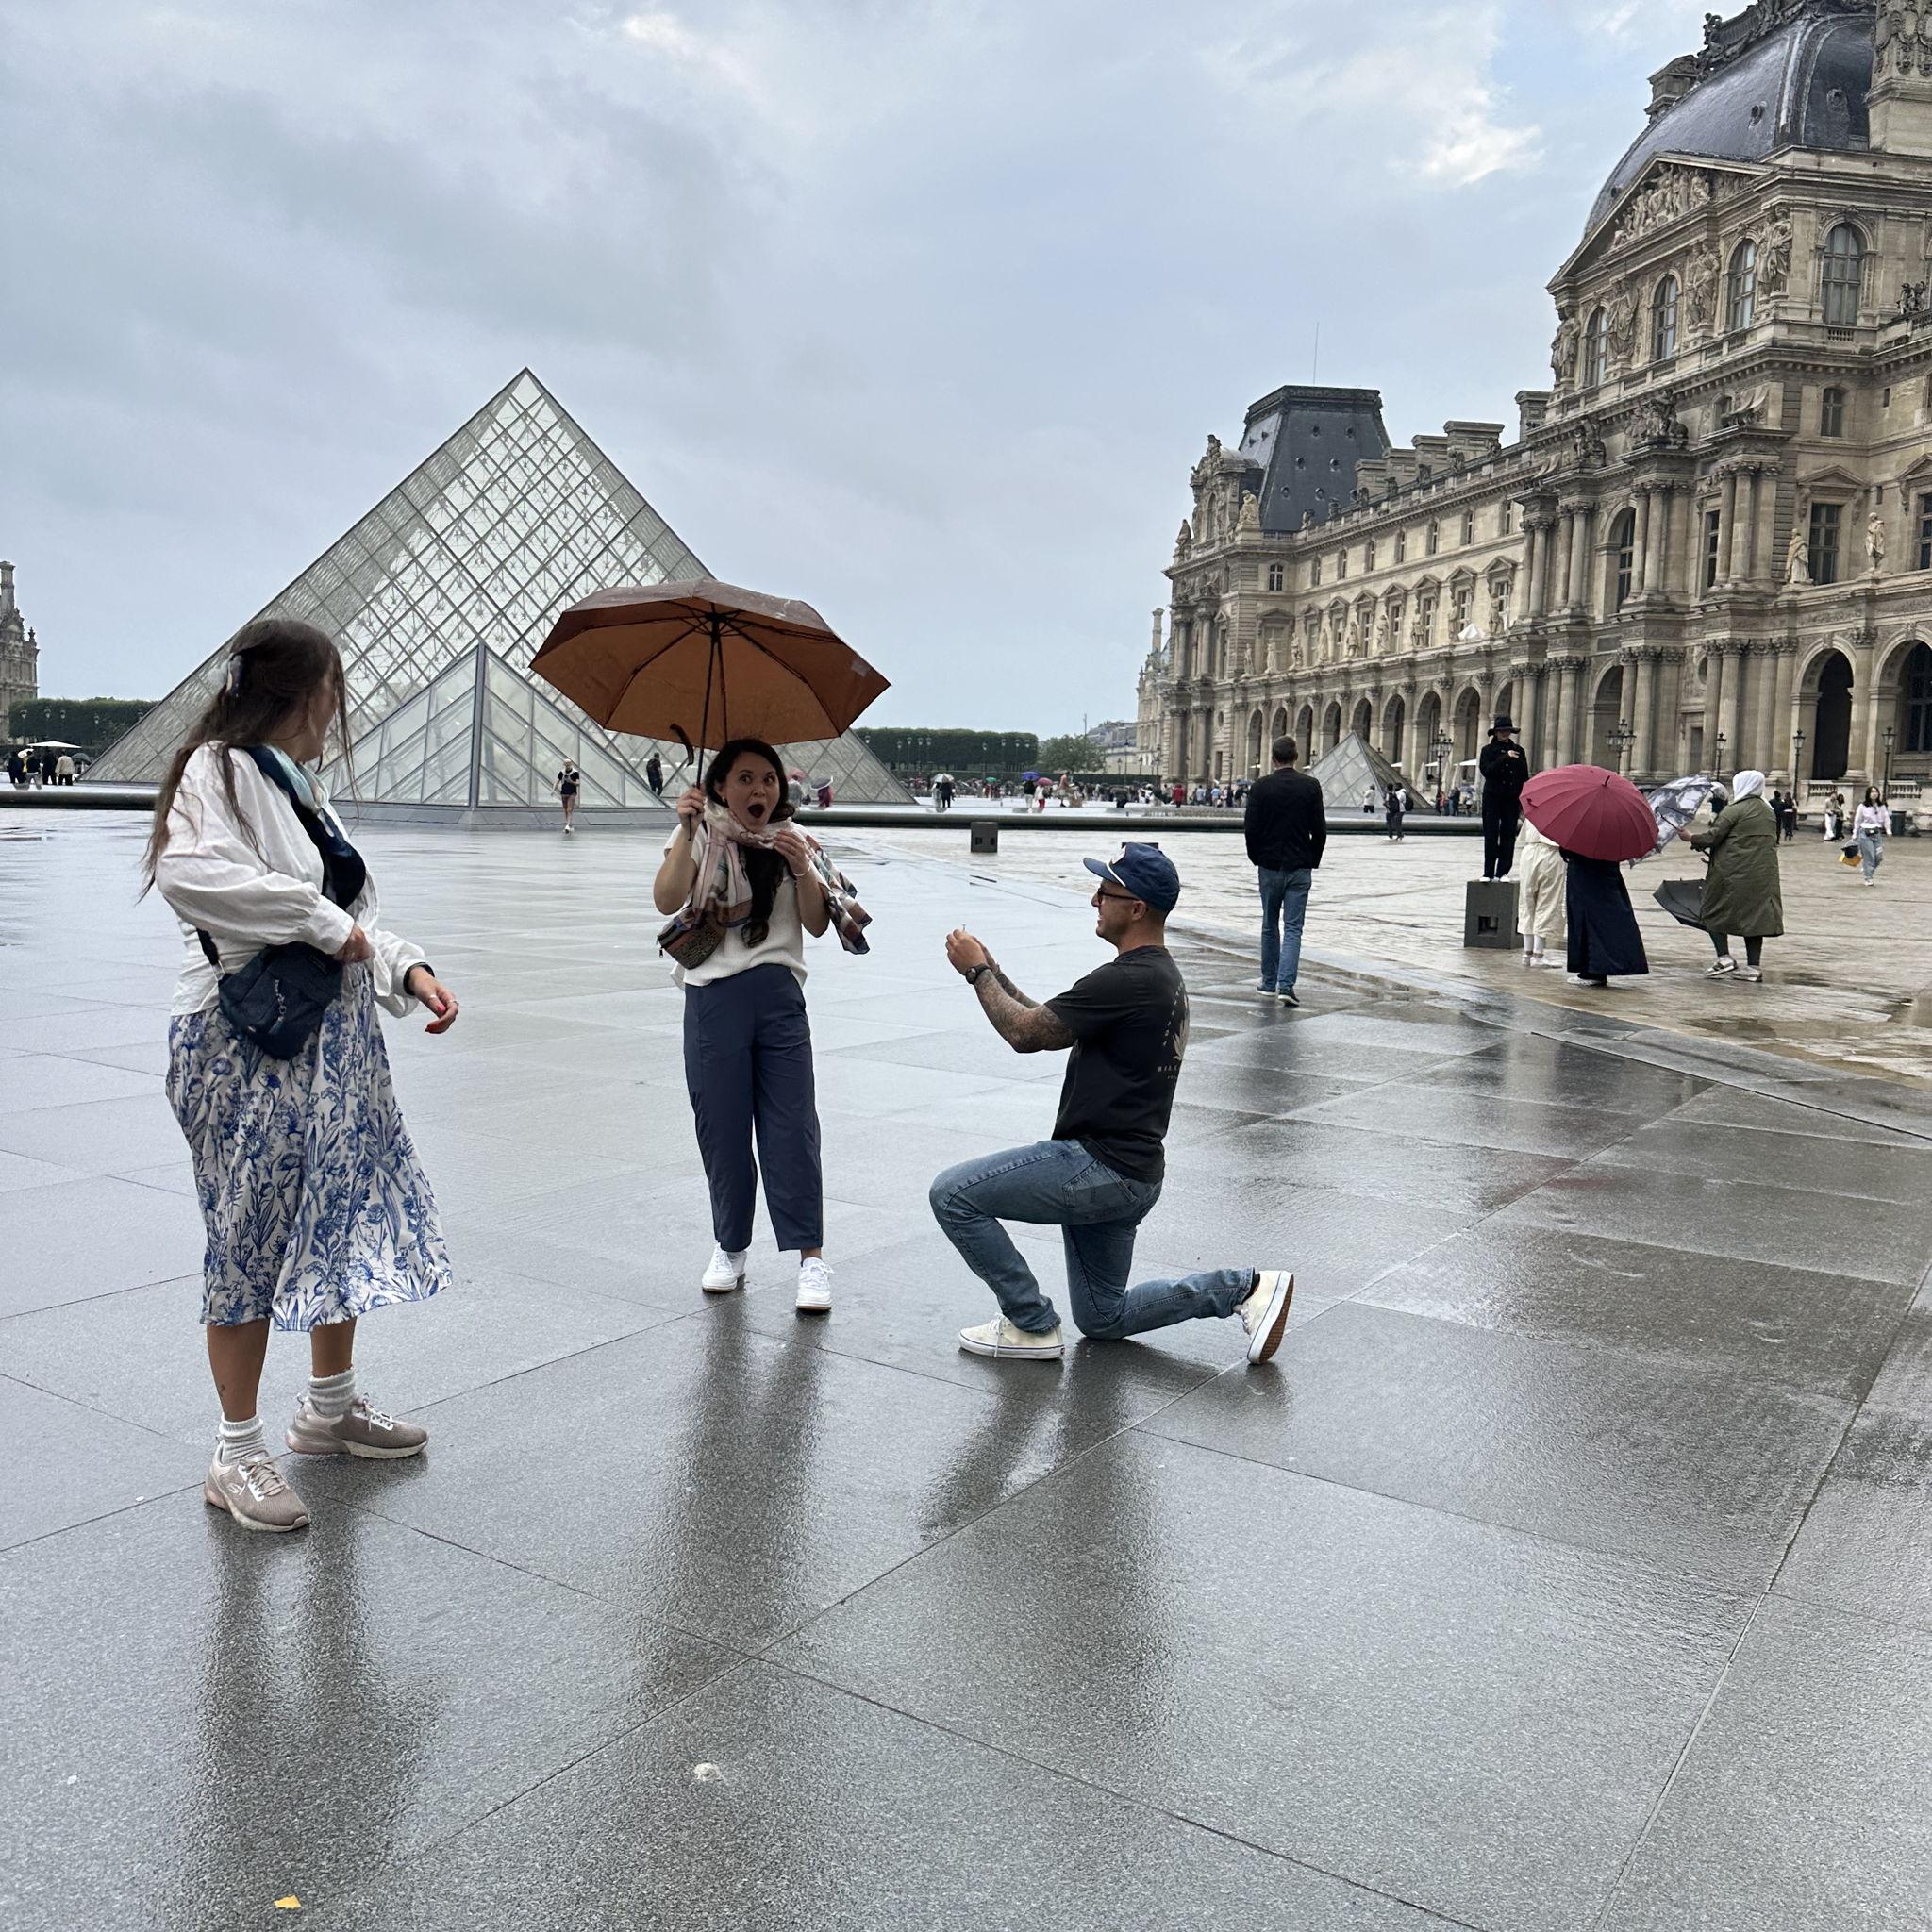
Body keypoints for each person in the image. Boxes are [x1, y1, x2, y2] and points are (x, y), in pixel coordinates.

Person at [145, 617, 460, 1535]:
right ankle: (235, 1449)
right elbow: (192, 875)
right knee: (245, 1228)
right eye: (332, 691)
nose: (338, 709)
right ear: (296, 691)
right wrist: (334, 929)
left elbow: (348, 912)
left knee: (339, 1209)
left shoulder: (293, 784)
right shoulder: (216, 769)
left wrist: (406, 967)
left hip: (324, 1032)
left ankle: (328, 1406)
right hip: (240, 1037)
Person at [929, 842, 1295, 1365]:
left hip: (1097, 1166)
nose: (1094, 899)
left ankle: (1030, 1323)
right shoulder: (1155, 976)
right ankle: (1245, 1288)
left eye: (1105, 891)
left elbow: (1023, 1034)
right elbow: (1048, 1021)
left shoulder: (1127, 978)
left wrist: (976, 975)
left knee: (953, 1195)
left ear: (1137, 907)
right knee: (1104, 1317)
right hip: (1133, 1174)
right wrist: (993, 968)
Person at [654, 736, 859, 1313]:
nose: (758, 790)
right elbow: (665, 898)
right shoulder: (699, 831)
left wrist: (801, 870)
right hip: (713, 996)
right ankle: (731, 1246)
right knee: (721, 1128)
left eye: (767, 779)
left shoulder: (796, 843)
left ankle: (811, 1259)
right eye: (744, 778)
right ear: (721, 785)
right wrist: (688, 828)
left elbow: (817, 926)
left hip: (777, 993)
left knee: (793, 1125)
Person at [1242, 734, 1326, 1007]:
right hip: (1299, 866)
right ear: (1296, 757)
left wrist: (1257, 858)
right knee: (1293, 928)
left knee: (1269, 924)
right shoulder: (1311, 786)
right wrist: (1312, 859)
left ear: (1273, 758)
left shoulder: (1260, 787)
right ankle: (1286, 986)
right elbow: (1320, 831)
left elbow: (1251, 830)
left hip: (1269, 866)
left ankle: (1268, 983)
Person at [1690, 769, 1783, 981]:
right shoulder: (1767, 811)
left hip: (1731, 875)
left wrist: (1691, 837)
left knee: (1711, 912)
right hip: (1762, 876)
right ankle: (1753, 967)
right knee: (1755, 918)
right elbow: (1743, 844)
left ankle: (1724, 958)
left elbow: (1713, 837)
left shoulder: (1735, 810)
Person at [1564, 848, 1648, 987]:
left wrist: (1565, 851)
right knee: (1604, 922)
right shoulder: (1612, 835)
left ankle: (1593, 970)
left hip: (1586, 875)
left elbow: (1571, 851)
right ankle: (1596, 968)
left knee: (1590, 922)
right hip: (1605, 873)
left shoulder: (1585, 834)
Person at [1478, 715, 1531, 880]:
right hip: (1492, 797)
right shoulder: (1487, 751)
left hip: (1511, 798)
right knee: (1491, 834)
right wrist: (1504, 758)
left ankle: (1503, 871)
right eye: (1501, 731)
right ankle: (1488, 872)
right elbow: (1487, 771)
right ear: (1495, 732)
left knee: (1508, 835)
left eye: (1507, 731)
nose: (1505, 734)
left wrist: (1524, 800)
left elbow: (1524, 776)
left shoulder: (1519, 751)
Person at [1515, 819, 1566, 966]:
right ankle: (1538, 954)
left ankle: (1527, 953)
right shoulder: (1562, 807)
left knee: (1527, 901)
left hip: (1529, 850)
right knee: (1548, 903)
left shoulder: (1537, 802)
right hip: (1551, 852)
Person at [1853, 785, 1890, 884]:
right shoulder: (1862, 806)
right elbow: (1858, 820)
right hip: (1865, 832)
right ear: (1868, 794)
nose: (1874, 794)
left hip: (1876, 833)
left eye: (1876, 792)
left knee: (1879, 856)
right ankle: (1868, 878)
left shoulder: (1881, 806)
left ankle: (1867, 869)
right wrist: (1854, 834)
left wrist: (1888, 829)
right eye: (1872, 792)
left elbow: (1886, 818)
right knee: (1869, 856)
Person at [556, 758, 580, 833]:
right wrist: (553, 789)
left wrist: (571, 781)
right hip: (564, 793)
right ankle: (568, 824)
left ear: (571, 763)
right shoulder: (562, 772)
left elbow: (578, 783)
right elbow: (557, 781)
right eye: (566, 763)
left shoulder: (575, 772)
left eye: (568, 763)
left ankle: (567, 825)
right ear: (564, 764)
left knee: (569, 809)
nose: (567, 765)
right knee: (566, 809)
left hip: (572, 792)